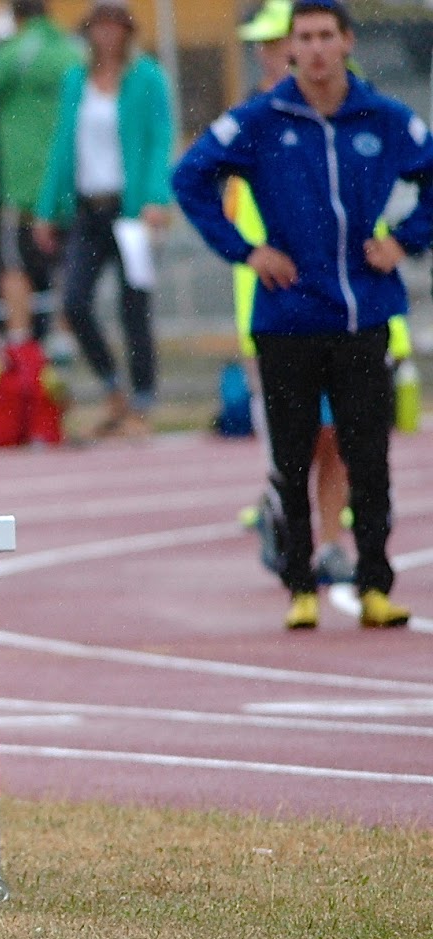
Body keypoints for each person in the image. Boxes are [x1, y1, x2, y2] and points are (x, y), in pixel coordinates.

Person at [173, 0, 431, 630]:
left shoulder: (382, 117)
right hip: (287, 315)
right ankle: (301, 585)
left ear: (347, 42)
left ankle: (374, 581)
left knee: (368, 455)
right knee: (290, 458)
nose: (315, 48)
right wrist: (245, 250)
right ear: (290, 48)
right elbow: (189, 178)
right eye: (304, 38)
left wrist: (405, 238)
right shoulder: (263, 119)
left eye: (326, 36)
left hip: (364, 313)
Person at [226, 0, 354, 588]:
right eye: (263, 42)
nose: (267, 51)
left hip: (341, 305)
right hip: (270, 307)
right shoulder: (252, 123)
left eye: (277, 40)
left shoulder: (347, 114)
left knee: (338, 431)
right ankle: (288, 519)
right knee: (292, 436)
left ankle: (331, 540)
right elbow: (222, 213)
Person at [32, 0, 173, 438]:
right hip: (88, 209)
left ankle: (142, 403)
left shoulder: (146, 78)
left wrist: (155, 198)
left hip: (129, 210)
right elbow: (62, 144)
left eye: (115, 27)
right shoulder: (77, 79)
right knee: (73, 301)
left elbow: (158, 140)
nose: (107, 35)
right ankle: (113, 387)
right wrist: (46, 208)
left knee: (135, 308)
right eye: (99, 27)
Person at [0, 0, 83, 348]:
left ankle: (19, 344)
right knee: (65, 266)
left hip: (22, 183)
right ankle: (63, 341)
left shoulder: (18, 52)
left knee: (16, 266)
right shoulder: (73, 50)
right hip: (68, 182)